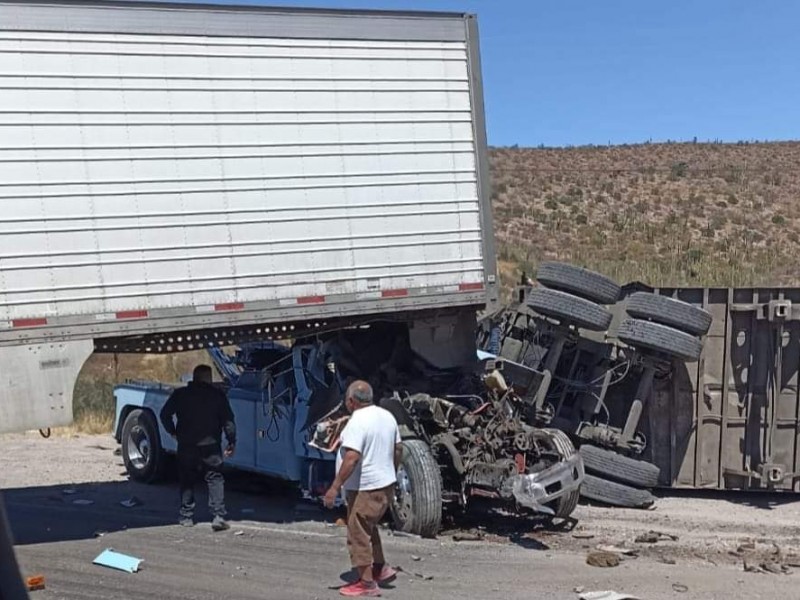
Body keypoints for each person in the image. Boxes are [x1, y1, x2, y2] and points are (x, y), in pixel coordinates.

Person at [324, 380, 402, 598]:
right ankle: (380, 568)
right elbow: (398, 449)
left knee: (357, 533)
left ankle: (366, 583)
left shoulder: (357, 422)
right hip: (384, 485)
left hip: (366, 488)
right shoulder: (387, 416)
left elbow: (352, 458)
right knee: (370, 527)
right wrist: (390, 472)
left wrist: (334, 488)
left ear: (351, 401)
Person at [159, 364, 236, 531]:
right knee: (215, 477)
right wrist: (231, 441)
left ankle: (186, 516)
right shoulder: (217, 396)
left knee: (187, 479)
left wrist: (172, 432)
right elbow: (228, 421)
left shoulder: (180, 394)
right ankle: (218, 516)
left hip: (186, 444)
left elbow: (164, 414)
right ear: (208, 378)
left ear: (193, 377)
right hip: (211, 444)